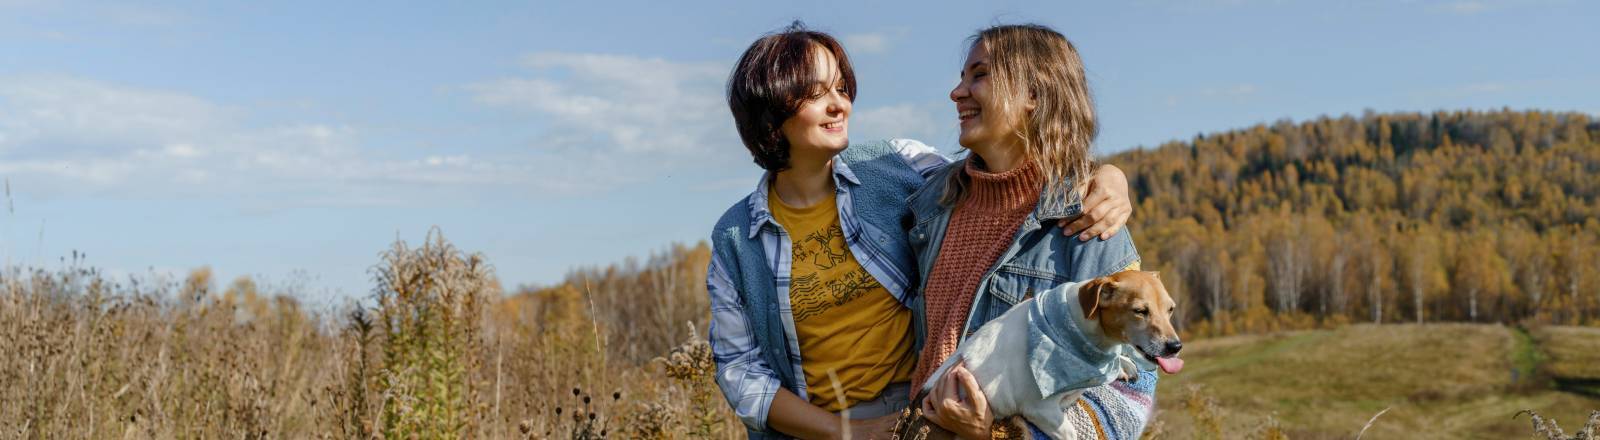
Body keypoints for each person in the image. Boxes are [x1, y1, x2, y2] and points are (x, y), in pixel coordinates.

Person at [706, 22, 1135, 439]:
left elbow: (1013, 177)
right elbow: (740, 372)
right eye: (815, 93)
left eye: (841, 88)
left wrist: (1107, 176)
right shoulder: (736, 239)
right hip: (836, 425)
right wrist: (850, 433)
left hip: (919, 415)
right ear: (770, 107)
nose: (839, 104)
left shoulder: (899, 168)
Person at [911, 24, 1157, 440]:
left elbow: (1130, 392)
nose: (957, 92)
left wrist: (998, 434)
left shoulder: (1090, 224)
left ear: (1035, 95)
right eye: (961, 77)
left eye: (979, 74)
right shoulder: (931, 204)